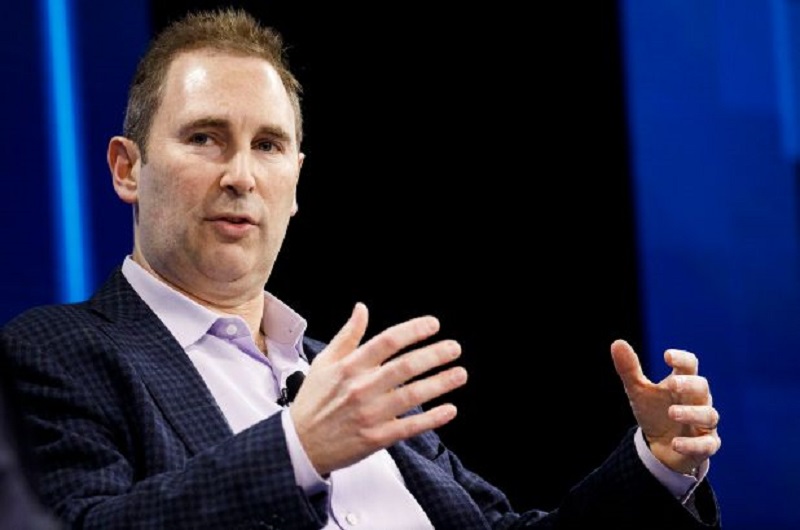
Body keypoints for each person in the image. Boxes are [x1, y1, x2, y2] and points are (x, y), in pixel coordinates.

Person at [0, 7, 722, 529]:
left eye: (268, 146)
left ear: (296, 181)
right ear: (127, 168)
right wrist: (297, 450)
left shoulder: (348, 381)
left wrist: (659, 463)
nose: (241, 176)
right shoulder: (55, 352)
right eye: (205, 138)